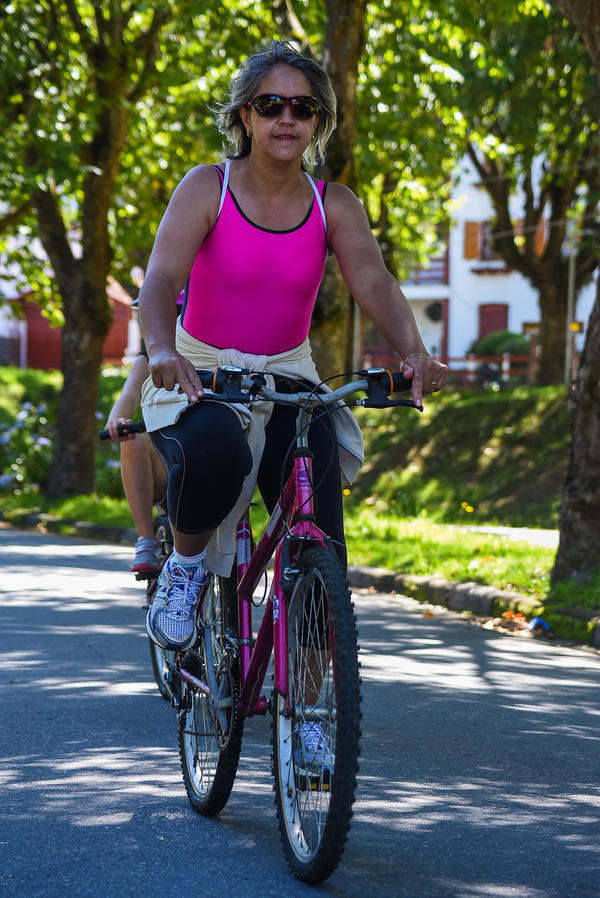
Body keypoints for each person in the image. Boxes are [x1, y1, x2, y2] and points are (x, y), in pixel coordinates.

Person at [138, 40, 448, 658]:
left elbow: (374, 283)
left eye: (302, 109)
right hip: (201, 370)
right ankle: (188, 567)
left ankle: (309, 716)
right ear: (245, 115)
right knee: (218, 453)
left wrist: (414, 350)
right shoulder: (207, 187)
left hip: (288, 374)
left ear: (318, 123)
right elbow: (160, 282)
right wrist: (159, 348)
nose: (287, 119)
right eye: (271, 104)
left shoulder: (335, 203)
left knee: (317, 522)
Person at [104, 350, 168, 573]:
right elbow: (130, 396)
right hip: (167, 463)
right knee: (132, 436)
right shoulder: (150, 357)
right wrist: (115, 421)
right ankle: (146, 540)